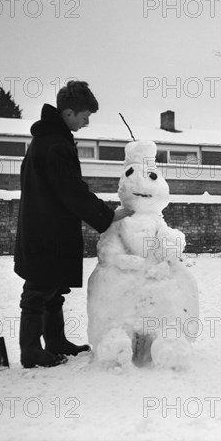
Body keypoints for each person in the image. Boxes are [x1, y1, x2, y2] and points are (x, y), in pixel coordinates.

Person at [14, 81, 132, 368]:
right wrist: (105, 215)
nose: (86, 122)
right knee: (39, 290)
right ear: (68, 113)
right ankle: (30, 350)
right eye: (84, 116)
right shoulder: (55, 145)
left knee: (53, 290)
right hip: (46, 230)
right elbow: (71, 190)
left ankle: (55, 342)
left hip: (45, 226)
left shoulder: (47, 139)